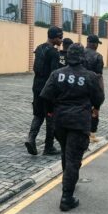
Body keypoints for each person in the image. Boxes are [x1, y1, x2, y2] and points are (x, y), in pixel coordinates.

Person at [40, 43, 105, 211]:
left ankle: (68, 182)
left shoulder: (57, 74)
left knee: (66, 154)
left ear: (68, 56)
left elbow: (46, 96)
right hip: (79, 121)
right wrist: (93, 108)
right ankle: (66, 197)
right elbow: (99, 98)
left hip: (60, 121)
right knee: (73, 159)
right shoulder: (90, 76)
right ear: (82, 57)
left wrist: (50, 113)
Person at [25, 26, 63, 156]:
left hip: (36, 86)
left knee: (38, 114)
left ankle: (31, 138)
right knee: (50, 117)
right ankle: (49, 147)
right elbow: (54, 74)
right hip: (48, 89)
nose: (61, 40)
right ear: (54, 38)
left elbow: (36, 68)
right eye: (60, 37)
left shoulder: (39, 48)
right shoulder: (54, 53)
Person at [84, 35, 104, 143]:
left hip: (79, 86)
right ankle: (92, 135)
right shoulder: (98, 56)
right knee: (95, 111)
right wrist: (101, 94)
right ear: (95, 44)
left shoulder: (79, 53)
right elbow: (99, 76)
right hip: (92, 88)